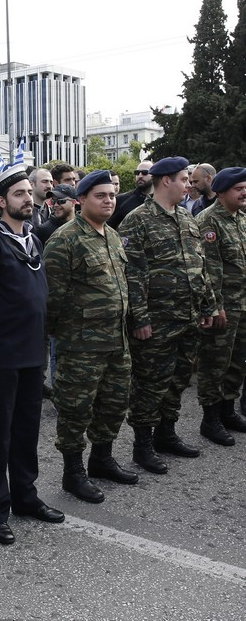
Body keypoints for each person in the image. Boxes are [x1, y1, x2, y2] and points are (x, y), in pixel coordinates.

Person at [0, 163, 65, 546]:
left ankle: (25, 496)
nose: (27, 199)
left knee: (26, 430)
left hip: (32, 352)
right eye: (18, 194)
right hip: (3, 354)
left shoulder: (32, 240)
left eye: (28, 192)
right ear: (1, 200)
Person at [43, 171, 139, 505]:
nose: (109, 200)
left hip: (116, 340)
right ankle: (73, 473)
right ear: (81, 200)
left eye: (112, 195)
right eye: (101, 195)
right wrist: (60, 335)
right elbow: (51, 297)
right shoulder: (64, 239)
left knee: (113, 404)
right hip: (80, 344)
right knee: (75, 409)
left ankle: (101, 459)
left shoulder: (113, 236)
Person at [119, 157, 216, 474]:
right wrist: (140, 319)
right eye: (184, 179)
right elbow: (132, 275)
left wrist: (206, 307)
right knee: (150, 382)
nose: (189, 184)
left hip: (187, 317)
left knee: (177, 379)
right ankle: (143, 445)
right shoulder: (138, 220)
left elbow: (199, 268)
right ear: (166, 181)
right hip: (157, 321)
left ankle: (166, 434)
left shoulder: (188, 219)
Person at [194, 167, 246, 445]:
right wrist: (215, 306)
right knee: (215, 363)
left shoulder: (242, 219)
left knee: (237, 362)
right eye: (239, 189)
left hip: (243, 304)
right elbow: (208, 270)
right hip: (223, 305)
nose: (245, 193)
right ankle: (210, 419)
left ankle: (228, 411)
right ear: (222, 191)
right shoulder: (208, 221)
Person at [107, 160, 153, 230]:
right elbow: (108, 229)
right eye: (137, 173)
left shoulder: (162, 201)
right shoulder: (121, 200)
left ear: (154, 175)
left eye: (144, 172)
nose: (140, 176)